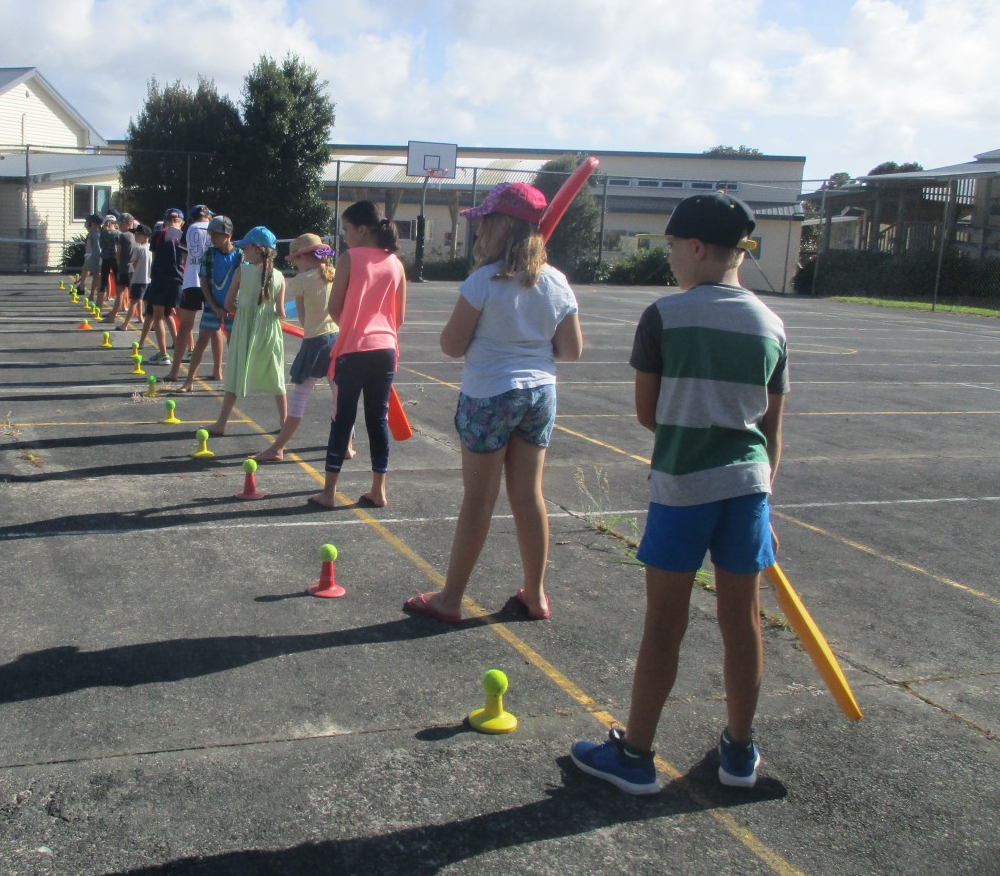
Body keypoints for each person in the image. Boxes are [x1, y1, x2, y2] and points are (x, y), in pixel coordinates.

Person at [570, 192, 788, 795]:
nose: (670, 258)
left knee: (665, 622)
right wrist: (764, 501)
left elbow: (649, 414)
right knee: (742, 621)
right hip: (748, 488)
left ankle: (635, 755)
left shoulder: (664, 315)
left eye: (671, 247)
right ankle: (739, 753)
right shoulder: (771, 324)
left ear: (695, 247)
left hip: (682, 486)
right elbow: (771, 429)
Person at [403, 183, 583, 625]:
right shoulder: (556, 281)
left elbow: (451, 345)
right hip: (539, 394)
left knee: (479, 500)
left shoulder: (483, 281)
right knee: (529, 495)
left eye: (485, 221)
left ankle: (450, 599)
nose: (479, 229)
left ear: (503, 224)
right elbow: (571, 349)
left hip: (489, 395)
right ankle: (536, 594)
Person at [307, 200, 406, 510]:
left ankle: (329, 493)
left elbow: (334, 307)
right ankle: (379, 490)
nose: (345, 236)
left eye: (347, 230)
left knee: (342, 419)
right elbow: (399, 317)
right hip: (385, 349)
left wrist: (352, 327)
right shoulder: (396, 263)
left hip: (354, 348)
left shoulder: (350, 258)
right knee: (378, 420)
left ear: (362, 230)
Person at [252, 233, 346, 463]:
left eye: (295, 261)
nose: (295, 265)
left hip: (315, 342)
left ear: (304, 257)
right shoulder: (335, 275)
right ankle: (347, 446)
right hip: (338, 339)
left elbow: (303, 319)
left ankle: (277, 448)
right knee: (341, 398)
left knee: (299, 398)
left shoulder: (301, 281)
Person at [206, 226, 287, 436]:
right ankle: (285, 423)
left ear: (257, 249)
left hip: (245, 328)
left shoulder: (242, 271)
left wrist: (242, 311)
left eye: (246, 248)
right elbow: (281, 311)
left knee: (235, 372)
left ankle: (221, 424)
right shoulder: (279, 276)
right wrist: (267, 314)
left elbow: (228, 303)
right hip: (269, 331)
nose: (243, 251)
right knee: (276, 375)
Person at [176, 215, 240, 393]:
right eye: (210, 235)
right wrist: (214, 305)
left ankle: (234, 381)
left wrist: (232, 305)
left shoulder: (239, 255)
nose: (211, 239)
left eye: (215, 235)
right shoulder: (209, 254)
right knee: (202, 341)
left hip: (233, 307)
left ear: (227, 235)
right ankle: (189, 381)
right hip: (213, 305)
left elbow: (242, 282)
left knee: (234, 344)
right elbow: (204, 283)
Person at [167, 204, 214, 383]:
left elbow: (185, 258)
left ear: (192, 218)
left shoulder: (189, 229)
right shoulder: (214, 226)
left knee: (185, 327)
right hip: (211, 281)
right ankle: (218, 369)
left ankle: (174, 371)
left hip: (192, 280)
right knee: (214, 328)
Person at [144, 209, 187, 365]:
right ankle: (184, 349)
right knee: (181, 317)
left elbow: (154, 257)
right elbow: (185, 259)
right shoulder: (183, 235)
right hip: (178, 279)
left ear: (166, 221)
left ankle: (163, 354)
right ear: (181, 222)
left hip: (161, 278)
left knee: (158, 317)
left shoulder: (160, 234)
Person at [116, 224, 152, 332]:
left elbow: (134, 263)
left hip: (139, 279)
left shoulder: (138, 248)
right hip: (149, 280)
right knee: (148, 303)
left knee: (133, 303)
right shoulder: (151, 248)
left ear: (146, 236)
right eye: (136, 234)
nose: (136, 236)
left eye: (139, 234)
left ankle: (125, 324)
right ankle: (151, 323)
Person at [96, 213, 120, 311]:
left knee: (103, 281)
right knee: (117, 281)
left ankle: (99, 304)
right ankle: (119, 304)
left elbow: (101, 245)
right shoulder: (118, 233)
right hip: (115, 257)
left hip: (105, 257)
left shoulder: (103, 233)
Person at [78, 213, 102, 297]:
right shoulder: (99, 232)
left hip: (92, 255)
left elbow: (92, 245)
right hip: (96, 255)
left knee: (92, 272)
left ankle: (86, 289)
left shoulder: (94, 233)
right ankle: (94, 291)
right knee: (95, 274)